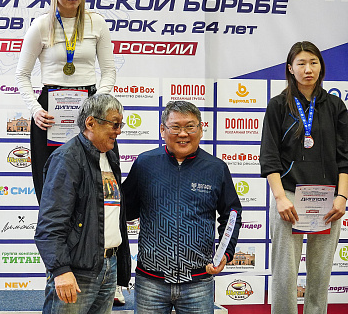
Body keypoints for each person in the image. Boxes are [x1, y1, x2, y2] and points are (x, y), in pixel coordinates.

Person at [122, 100, 242, 314]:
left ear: (201, 130)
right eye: (175, 127)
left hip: (199, 282)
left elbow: (232, 214)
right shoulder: (144, 163)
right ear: (162, 130)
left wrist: (226, 253)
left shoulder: (216, 168)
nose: (183, 134)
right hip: (150, 282)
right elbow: (125, 210)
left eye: (190, 127)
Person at [15, 0, 116, 204]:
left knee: (95, 182)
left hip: (91, 111)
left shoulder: (97, 23)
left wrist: (97, 103)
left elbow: (109, 71)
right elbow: (22, 75)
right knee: (51, 183)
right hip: (50, 114)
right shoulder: (41, 25)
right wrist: (36, 110)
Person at [260, 41, 347, 314]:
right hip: (289, 197)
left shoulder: (335, 105)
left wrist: (342, 196)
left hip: (328, 200)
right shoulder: (277, 105)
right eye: (301, 63)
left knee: (320, 276)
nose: (308, 69)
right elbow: (269, 156)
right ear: (290, 68)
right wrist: (280, 198)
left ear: (321, 66)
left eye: (313, 62)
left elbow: (345, 157)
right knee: (285, 275)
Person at [34, 94, 131, 314]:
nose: (118, 131)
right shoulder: (67, 158)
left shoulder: (110, 156)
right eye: (115, 124)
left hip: (108, 266)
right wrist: (60, 270)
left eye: (120, 125)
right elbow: (50, 223)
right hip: (76, 272)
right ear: (90, 123)